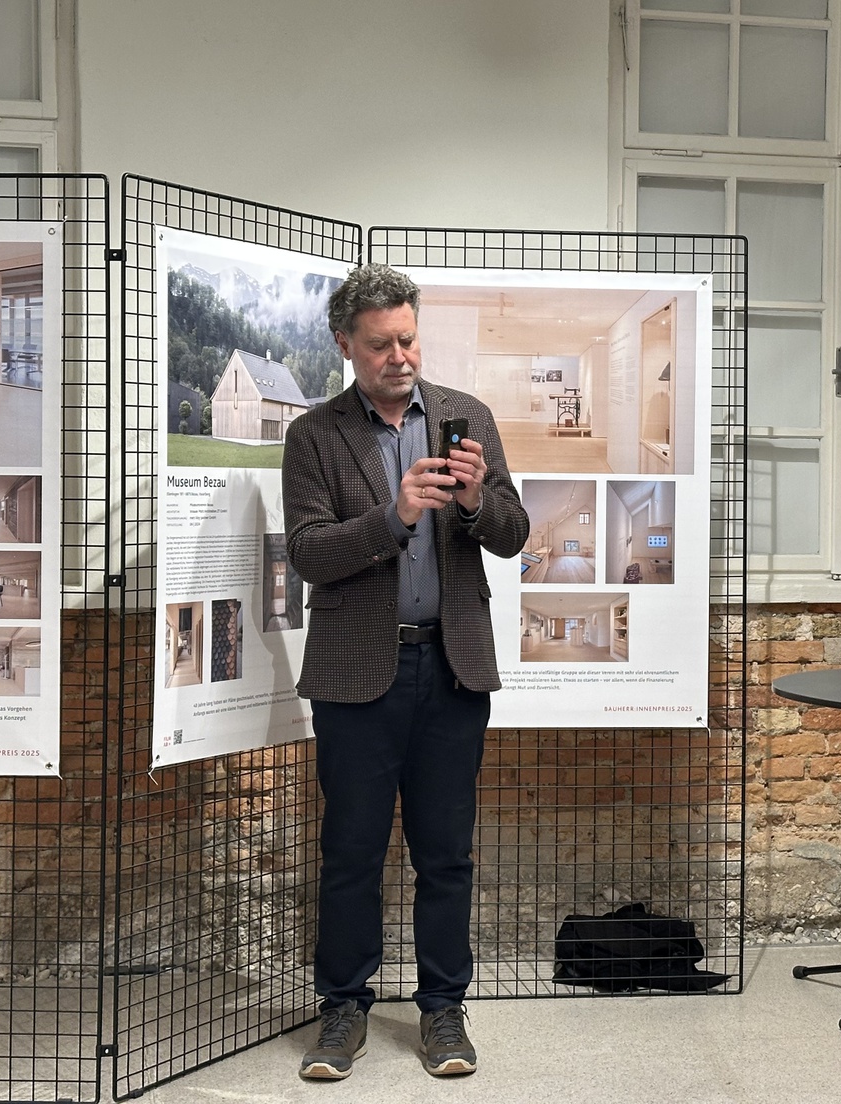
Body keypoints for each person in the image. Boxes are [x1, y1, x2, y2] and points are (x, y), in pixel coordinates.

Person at [282, 263, 529, 1081]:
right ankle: (343, 1008)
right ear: (345, 344)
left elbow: (513, 534)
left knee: (446, 855)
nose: (400, 357)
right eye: (381, 344)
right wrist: (394, 516)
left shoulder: (467, 417)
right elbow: (309, 552)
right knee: (351, 852)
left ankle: (443, 1010)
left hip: (452, 667)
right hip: (356, 673)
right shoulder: (314, 435)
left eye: (409, 339)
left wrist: (474, 500)